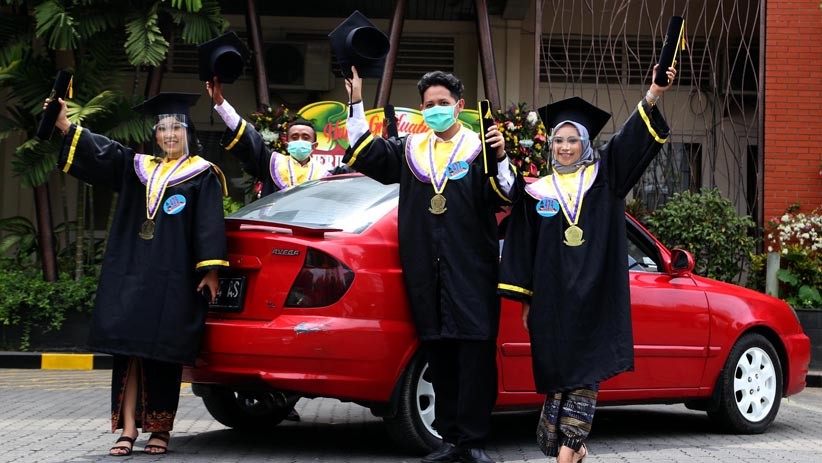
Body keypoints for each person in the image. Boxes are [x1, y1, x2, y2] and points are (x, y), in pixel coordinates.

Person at [497, 64, 676, 463]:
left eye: (572, 140)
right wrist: (526, 302)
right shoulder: (535, 193)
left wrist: (653, 94)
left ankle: (568, 448)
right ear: (551, 145)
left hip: (596, 295)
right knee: (560, 375)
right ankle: (568, 445)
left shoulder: (606, 178)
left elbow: (631, 141)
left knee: (586, 372)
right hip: (552, 302)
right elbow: (522, 247)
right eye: (558, 140)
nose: (564, 147)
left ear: (585, 143)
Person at [345, 67, 521, 463]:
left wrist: (501, 156)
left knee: (475, 356)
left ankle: (472, 442)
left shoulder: (479, 149)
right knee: (438, 353)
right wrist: (356, 99)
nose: (436, 110)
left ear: (459, 107)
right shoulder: (411, 151)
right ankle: (449, 440)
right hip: (426, 271)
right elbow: (365, 151)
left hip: (471, 270)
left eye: (443, 104)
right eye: (429, 105)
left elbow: (506, 194)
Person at [50, 92, 229, 456]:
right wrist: (65, 126)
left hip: (173, 277)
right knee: (127, 351)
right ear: (155, 135)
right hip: (130, 273)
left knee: (163, 352)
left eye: (176, 127)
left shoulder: (202, 174)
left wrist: (211, 270)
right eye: (162, 128)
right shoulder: (138, 167)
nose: (169, 134)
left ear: (188, 132)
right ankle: (128, 428)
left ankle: (160, 429)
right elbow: (105, 152)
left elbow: (208, 225)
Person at [206, 78, 353, 198]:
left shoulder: (327, 173)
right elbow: (247, 135)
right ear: (287, 143)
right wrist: (219, 101)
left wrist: (356, 98)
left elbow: (362, 159)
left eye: (305, 137)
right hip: (276, 232)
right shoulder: (272, 164)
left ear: (314, 145)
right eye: (295, 137)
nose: (300, 140)